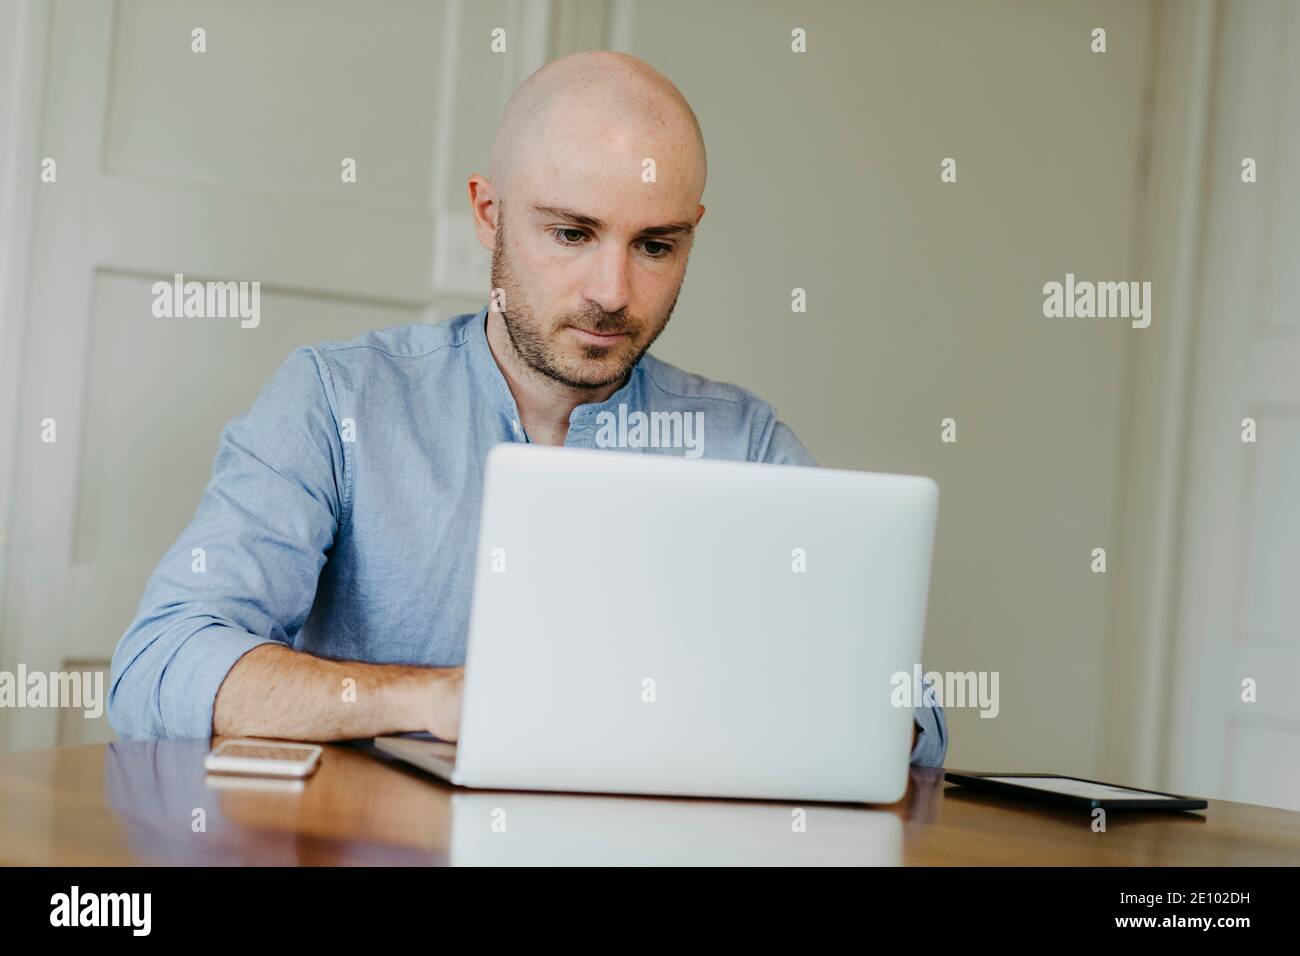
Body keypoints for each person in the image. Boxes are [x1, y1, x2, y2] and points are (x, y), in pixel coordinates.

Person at [108, 51, 947, 767]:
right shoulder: (337, 400)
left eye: (656, 246)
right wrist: (438, 702)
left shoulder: (744, 443)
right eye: (572, 234)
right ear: (488, 212)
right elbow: (159, 667)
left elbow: (912, 718)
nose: (613, 293)